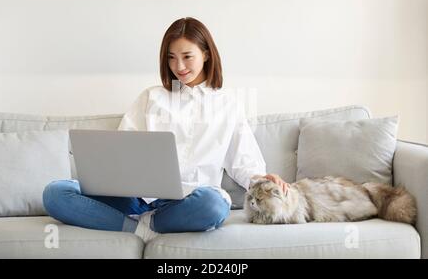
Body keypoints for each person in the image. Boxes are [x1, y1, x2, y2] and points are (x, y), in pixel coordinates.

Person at [43, 17, 289, 242]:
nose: (178, 66)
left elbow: (244, 164)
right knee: (56, 193)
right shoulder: (152, 97)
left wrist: (263, 180)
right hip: (137, 200)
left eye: (186, 56)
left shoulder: (228, 104)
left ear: (206, 54)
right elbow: (121, 150)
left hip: (190, 201)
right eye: (171, 57)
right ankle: (142, 227)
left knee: (214, 205)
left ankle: (139, 226)